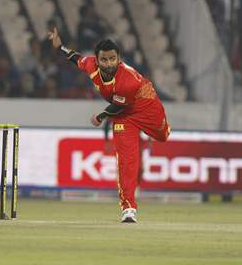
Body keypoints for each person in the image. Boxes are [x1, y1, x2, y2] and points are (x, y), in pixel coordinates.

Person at [48, 27, 170, 223]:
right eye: (104, 59)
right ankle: (128, 208)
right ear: (97, 60)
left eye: (113, 59)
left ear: (119, 58)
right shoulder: (91, 65)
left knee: (163, 135)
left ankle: (162, 129)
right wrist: (59, 46)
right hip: (124, 116)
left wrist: (100, 117)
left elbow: (116, 105)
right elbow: (75, 58)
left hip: (146, 106)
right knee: (127, 161)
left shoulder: (127, 80)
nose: (109, 63)